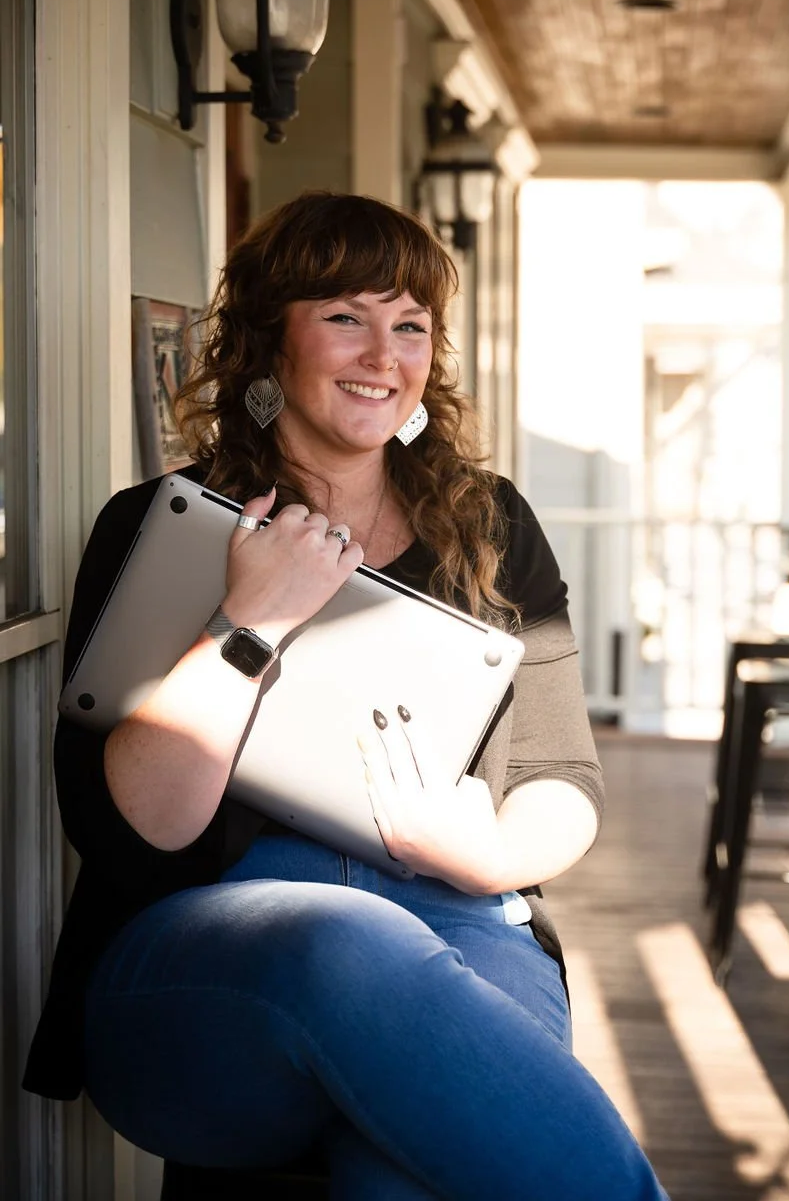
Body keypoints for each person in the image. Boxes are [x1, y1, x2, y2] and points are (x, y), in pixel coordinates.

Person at [24, 193, 667, 1199]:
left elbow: (559, 776)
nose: (383, 353)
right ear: (267, 344)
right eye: (344, 316)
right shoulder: (164, 526)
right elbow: (141, 827)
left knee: (411, 1155)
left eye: (409, 324)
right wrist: (252, 624)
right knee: (346, 946)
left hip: (457, 905)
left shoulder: (492, 527)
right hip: (215, 952)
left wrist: (479, 853)